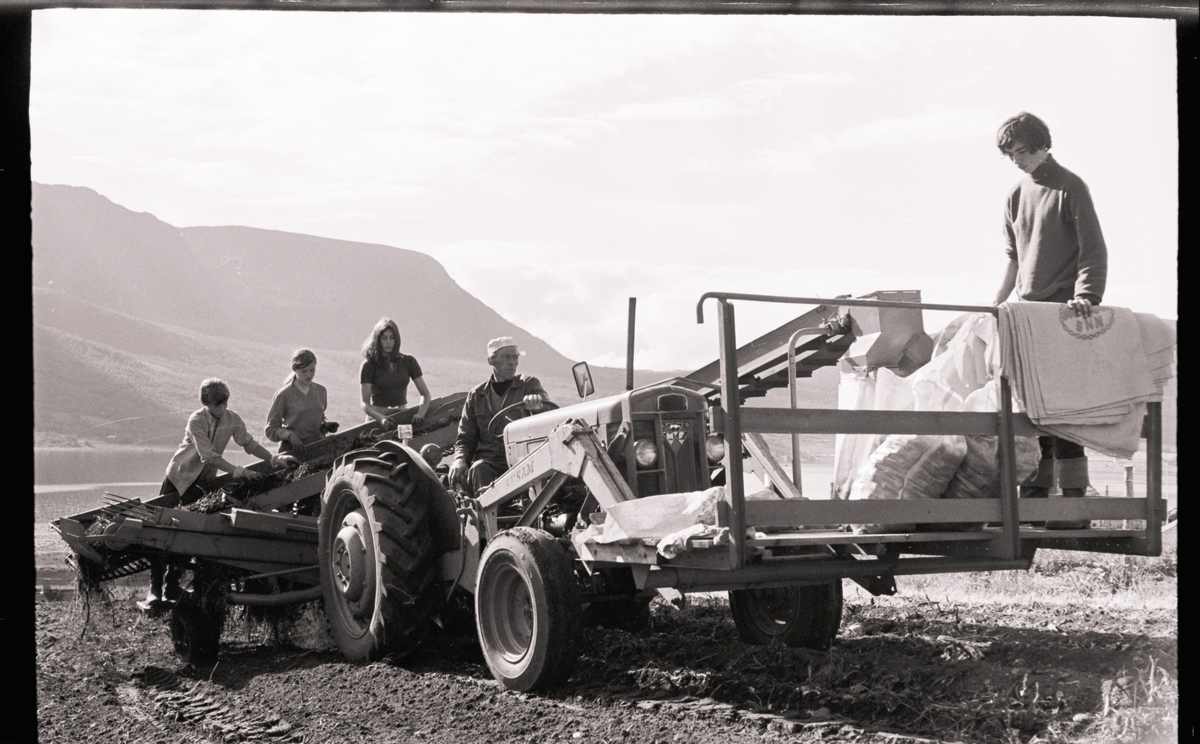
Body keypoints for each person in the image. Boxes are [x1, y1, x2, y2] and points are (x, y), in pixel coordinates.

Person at [991, 112, 1107, 530]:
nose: (1018, 160)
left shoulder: (1070, 186)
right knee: (1032, 413)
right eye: (1011, 155)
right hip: (1026, 316)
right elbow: (1012, 259)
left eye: (1023, 151)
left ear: (1043, 145)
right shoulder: (1014, 196)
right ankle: (1036, 504)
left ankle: (1073, 508)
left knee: (1065, 413)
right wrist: (994, 304)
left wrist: (1086, 297)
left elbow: (1093, 249)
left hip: (1064, 313)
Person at [140, 378, 294, 611]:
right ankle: (154, 590)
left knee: (187, 532)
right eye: (216, 405)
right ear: (206, 403)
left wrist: (272, 459)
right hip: (179, 478)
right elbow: (208, 456)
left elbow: (248, 443)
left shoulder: (232, 418)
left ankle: (171, 586)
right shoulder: (196, 420)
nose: (221, 409)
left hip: (202, 483)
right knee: (161, 531)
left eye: (224, 404)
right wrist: (237, 471)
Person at [449, 337, 550, 496]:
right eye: (506, 357)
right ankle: (486, 518)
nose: (512, 362)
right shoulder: (476, 395)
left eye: (515, 357)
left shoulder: (529, 385)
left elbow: (549, 414)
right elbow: (465, 437)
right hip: (490, 462)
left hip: (524, 459)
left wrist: (538, 406)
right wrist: (460, 459)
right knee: (478, 468)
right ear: (491, 360)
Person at [359, 317, 431, 427]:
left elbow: (425, 394)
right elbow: (365, 404)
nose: (388, 342)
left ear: (396, 339)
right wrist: (380, 418)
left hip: (403, 417)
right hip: (377, 420)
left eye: (392, 338)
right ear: (378, 340)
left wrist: (420, 413)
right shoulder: (369, 365)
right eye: (384, 338)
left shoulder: (409, 361)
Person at [265, 348, 336, 456]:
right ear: (294, 369)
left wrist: (326, 427)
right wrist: (289, 435)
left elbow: (316, 421)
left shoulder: (321, 391)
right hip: (292, 454)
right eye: (304, 371)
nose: (309, 374)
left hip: (317, 451)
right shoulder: (283, 395)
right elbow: (270, 430)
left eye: (312, 370)